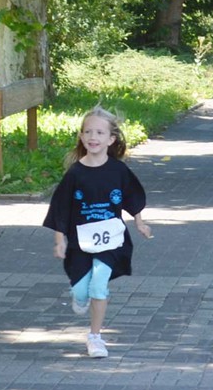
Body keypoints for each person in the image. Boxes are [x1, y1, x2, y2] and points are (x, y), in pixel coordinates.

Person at [43, 106, 152, 358]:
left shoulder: (118, 170)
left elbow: (132, 196)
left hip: (111, 241)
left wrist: (140, 222)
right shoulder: (75, 173)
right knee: (82, 291)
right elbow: (60, 208)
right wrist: (59, 240)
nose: (93, 137)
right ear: (81, 137)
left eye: (100, 133)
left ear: (111, 139)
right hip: (80, 242)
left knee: (98, 286)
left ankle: (95, 338)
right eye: (88, 132)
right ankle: (79, 297)